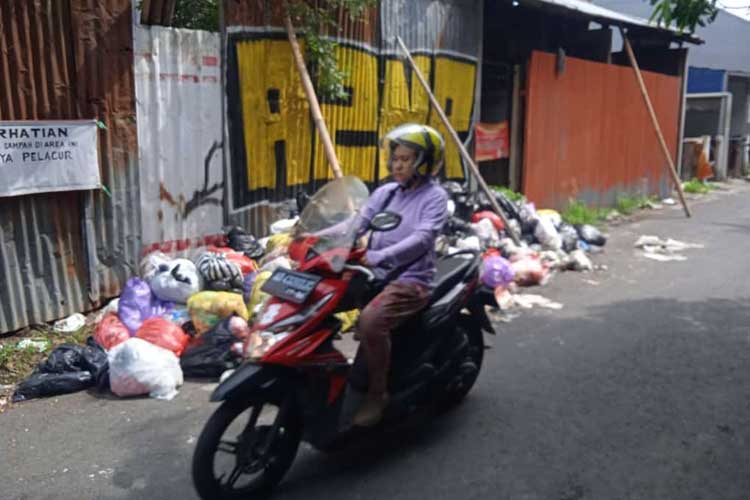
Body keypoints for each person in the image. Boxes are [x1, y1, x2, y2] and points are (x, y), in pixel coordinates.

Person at [353, 123, 449, 427]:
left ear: (424, 163)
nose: (397, 164)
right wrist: (310, 239)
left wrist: (377, 256)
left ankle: (377, 394)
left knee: (369, 321)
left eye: (406, 159)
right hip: (374, 272)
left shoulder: (434, 198)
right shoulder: (386, 193)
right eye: (395, 158)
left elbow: (422, 239)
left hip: (411, 279)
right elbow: (358, 222)